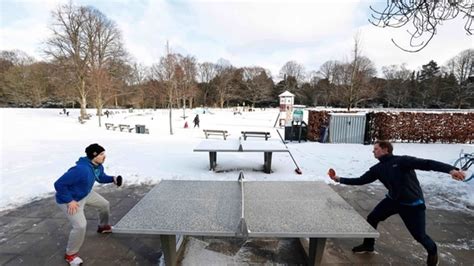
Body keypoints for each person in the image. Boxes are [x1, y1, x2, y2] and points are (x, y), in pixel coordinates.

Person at [328, 140, 465, 266]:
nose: (373, 151)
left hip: (412, 204)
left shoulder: (402, 161)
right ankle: (368, 245)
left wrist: (451, 170)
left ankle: (433, 252)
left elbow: (428, 163)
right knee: (372, 218)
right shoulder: (377, 168)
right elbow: (361, 180)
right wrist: (339, 179)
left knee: (419, 236)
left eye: (376, 149)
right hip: (393, 200)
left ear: (385, 149)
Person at [54, 143, 123, 265]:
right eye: (101, 154)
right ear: (94, 155)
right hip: (69, 200)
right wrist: (69, 201)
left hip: (84, 194)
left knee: (104, 204)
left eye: (104, 153)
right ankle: (70, 255)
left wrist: (112, 178)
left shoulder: (97, 165)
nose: (104, 156)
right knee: (80, 226)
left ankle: (103, 227)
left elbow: (100, 177)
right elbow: (59, 184)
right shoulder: (81, 170)